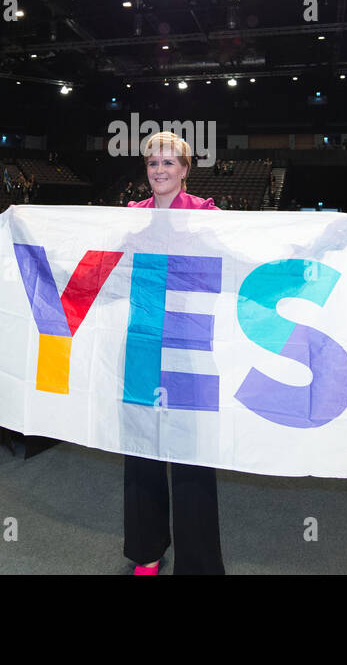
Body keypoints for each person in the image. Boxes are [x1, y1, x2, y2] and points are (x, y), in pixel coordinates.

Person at [124, 131, 224, 575]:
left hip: (189, 345)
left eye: (168, 163)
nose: (159, 171)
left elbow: (243, 254)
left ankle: (197, 563)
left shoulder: (207, 214)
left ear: (185, 169)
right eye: (151, 164)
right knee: (141, 449)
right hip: (142, 343)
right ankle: (146, 549)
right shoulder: (130, 216)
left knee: (191, 459)